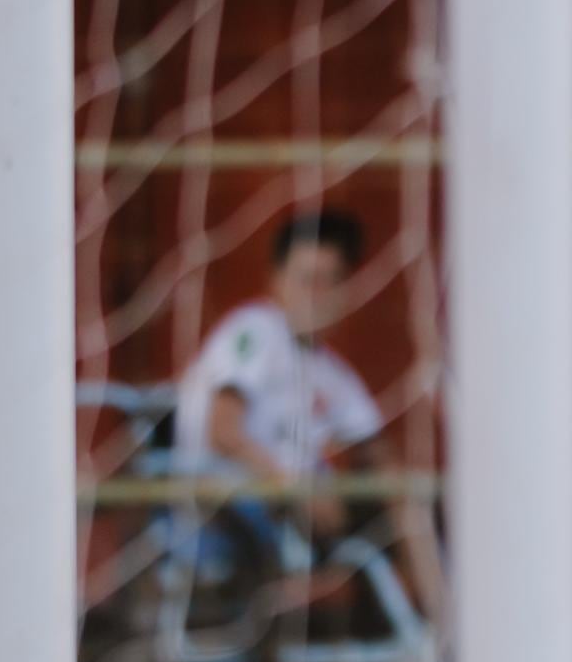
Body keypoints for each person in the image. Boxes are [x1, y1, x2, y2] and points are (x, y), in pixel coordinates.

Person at [173, 208, 449, 635]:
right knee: (395, 508)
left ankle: (425, 629)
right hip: (232, 501)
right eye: (306, 279)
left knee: (423, 500)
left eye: (329, 281)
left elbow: (376, 451)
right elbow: (223, 431)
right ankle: (443, 630)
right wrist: (297, 488)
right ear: (276, 280)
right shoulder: (254, 332)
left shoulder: (334, 374)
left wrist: (403, 488)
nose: (315, 295)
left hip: (303, 505)